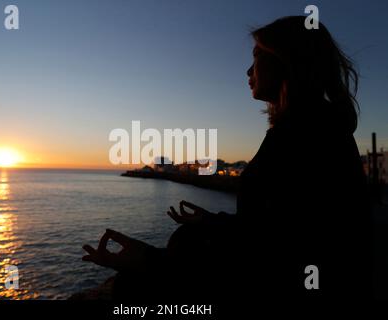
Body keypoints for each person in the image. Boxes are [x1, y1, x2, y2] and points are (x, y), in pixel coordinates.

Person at [82, 16, 371, 302]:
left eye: (257, 55)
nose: (248, 70)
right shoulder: (317, 126)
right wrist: (211, 221)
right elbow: (275, 227)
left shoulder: (302, 135)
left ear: (288, 61)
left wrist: (148, 259)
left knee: (131, 287)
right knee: (185, 240)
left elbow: (273, 256)